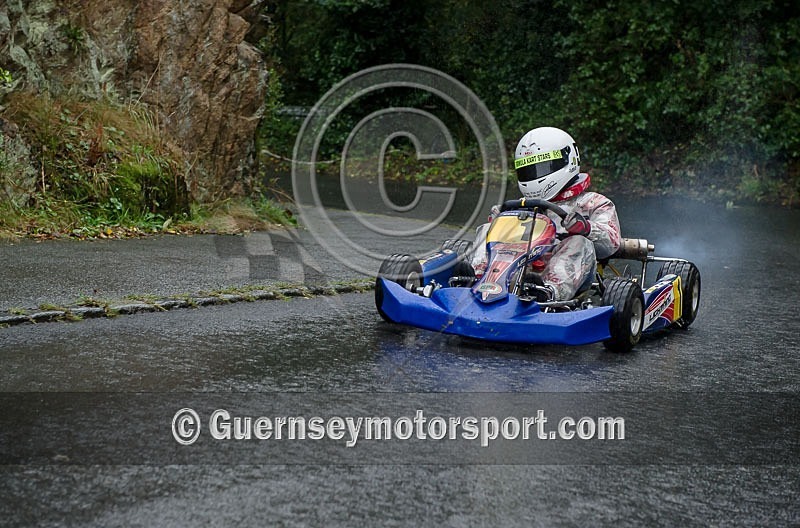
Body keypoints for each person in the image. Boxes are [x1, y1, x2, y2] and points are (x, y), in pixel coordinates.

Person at [471, 126, 621, 301]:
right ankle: (477, 279)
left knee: (578, 242)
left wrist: (586, 228)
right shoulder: (520, 206)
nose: (535, 175)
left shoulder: (593, 203)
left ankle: (548, 292)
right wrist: (500, 221)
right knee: (487, 229)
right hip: (515, 271)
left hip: (570, 276)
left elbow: (611, 242)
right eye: (529, 170)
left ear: (567, 160)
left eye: (541, 168)